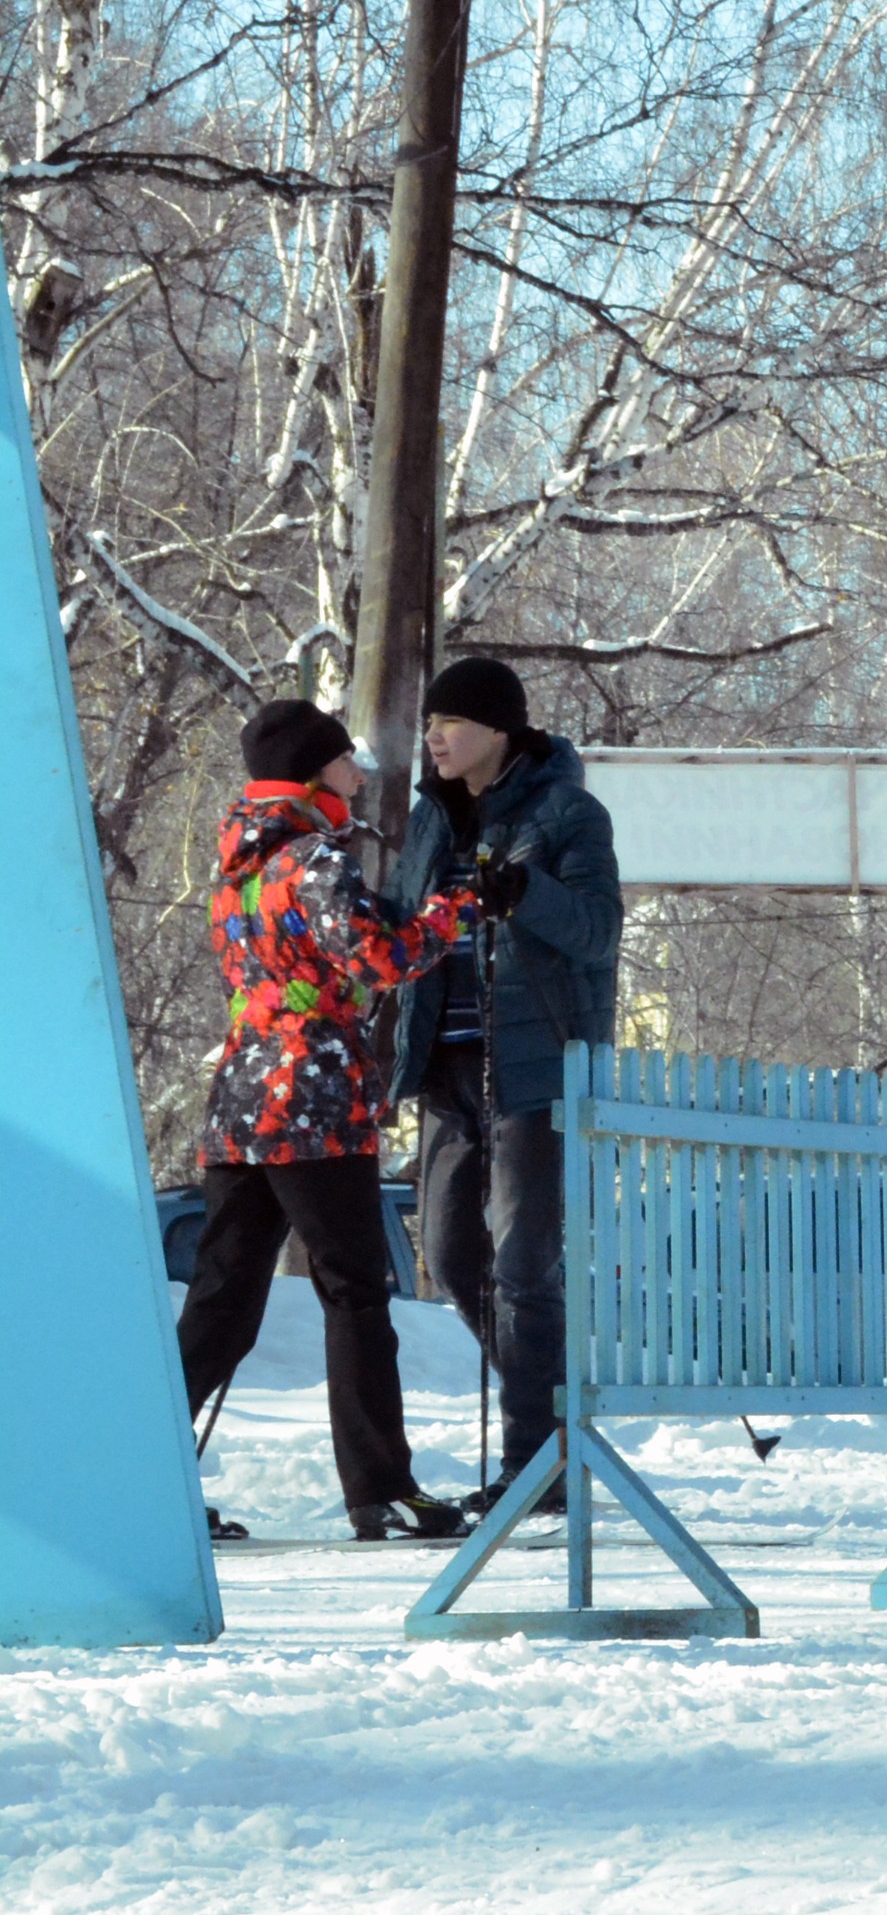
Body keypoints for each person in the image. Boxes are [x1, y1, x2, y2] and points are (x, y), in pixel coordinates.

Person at [172, 699, 472, 1540]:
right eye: (345, 763)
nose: (356, 775)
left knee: (221, 1299)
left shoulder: (233, 871)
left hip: (240, 1102)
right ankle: (382, 1488)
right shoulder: (312, 861)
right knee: (355, 1293)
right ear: (313, 776)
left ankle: (143, 1476)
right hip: (312, 1103)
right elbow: (384, 957)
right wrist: (462, 911)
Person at [383, 656, 618, 1517]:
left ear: (500, 730)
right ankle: (553, 1404)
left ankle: (538, 1466)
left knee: (524, 1265)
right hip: (446, 1068)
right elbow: (409, 930)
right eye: (431, 723)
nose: (435, 737)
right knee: (447, 1255)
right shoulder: (427, 821)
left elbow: (595, 933)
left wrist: (524, 893)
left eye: (450, 722)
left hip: (534, 1065)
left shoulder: (569, 814)